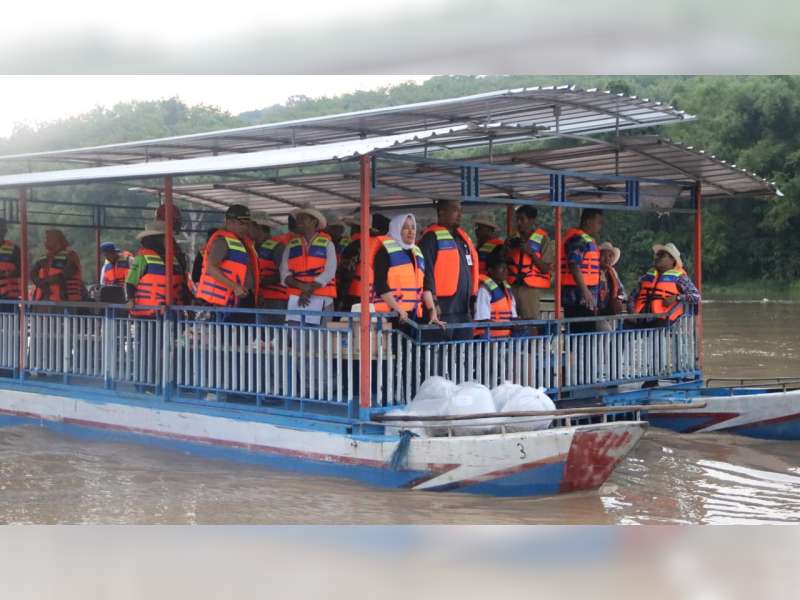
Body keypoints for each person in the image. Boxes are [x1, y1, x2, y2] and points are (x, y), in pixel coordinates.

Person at [419, 199, 479, 340]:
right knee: (439, 352)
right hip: (442, 311)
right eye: (455, 210)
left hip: (464, 311)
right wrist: (433, 304)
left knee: (464, 351)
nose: (460, 214)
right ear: (442, 213)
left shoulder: (462, 239)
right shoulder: (430, 238)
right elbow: (426, 274)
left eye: (461, 211)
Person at [373, 213, 442, 331]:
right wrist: (398, 309)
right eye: (405, 228)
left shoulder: (417, 252)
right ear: (396, 229)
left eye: (413, 227)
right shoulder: (385, 251)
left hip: (413, 316)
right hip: (391, 316)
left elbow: (425, 286)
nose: (411, 232)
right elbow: (380, 285)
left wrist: (432, 311)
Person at [194, 205, 259, 309]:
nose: (245, 228)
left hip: (244, 296)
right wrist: (235, 287)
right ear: (229, 222)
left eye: (248, 224)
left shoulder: (245, 243)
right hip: (228, 300)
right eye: (242, 224)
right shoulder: (222, 241)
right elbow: (211, 267)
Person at [280, 207, 337, 321]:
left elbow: (330, 272)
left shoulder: (327, 244)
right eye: (298, 219)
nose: (298, 222)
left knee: (322, 333)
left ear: (314, 221)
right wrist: (303, 287)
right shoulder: (291, 246)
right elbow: (284, 274)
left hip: (323, 302)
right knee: (296, 332)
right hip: (296, 302)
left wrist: (307, 291)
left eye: (303, 218)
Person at [629, 243, 701, 327]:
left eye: (662, 255)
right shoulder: (645, 277)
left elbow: (696, 296)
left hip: (664, 322)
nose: (657, 257)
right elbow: (632, 297)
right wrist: (632, 312)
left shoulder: (680, 278)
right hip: (639, 320)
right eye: (657, 255)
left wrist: (677, 297)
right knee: (624, 325)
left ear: (672, 260)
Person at [126, 221, 188, 317]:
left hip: (173, 312)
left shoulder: (173, 258)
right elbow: (130, 282)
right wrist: (130, 299)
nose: (171, 240)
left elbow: (182, 284)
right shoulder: (142, 257)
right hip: (147, 314)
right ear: (156, 239)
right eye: (166, 237)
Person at [506, 205, 553, 323]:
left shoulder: (543, 239)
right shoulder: (512, 237)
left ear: (532, 220)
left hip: (530, 290)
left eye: (522, 219)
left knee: (530, 323)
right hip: (512, 287)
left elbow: (546, 268)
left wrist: (530, 253)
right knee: (510, 322)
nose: (518, 222)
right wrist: (507, 248)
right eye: (517, 219)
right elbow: (502, 262)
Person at [561, 208, 603, 333]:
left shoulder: (585, 239)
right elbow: (574, 264)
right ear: (588, 221)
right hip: (577, 297)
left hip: (584, 297)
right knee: (581, 334)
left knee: (586, 334)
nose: (600, 226)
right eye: (598, 222)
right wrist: (585, 291)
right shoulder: (577, 239)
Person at [339, 213, 390, 311]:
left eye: (353, 227)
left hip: (357, 292)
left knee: (348, 318)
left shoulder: (356, 244)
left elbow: (345, 269)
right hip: (381, 295)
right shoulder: (387, 244)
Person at [30, 229, 86, 302]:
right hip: (42, 299)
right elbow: (33, 274)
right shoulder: (43, 258)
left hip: (65, 300)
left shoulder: (71, 256)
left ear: (57, 240)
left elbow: (67, 274)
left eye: (48, 238)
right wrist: (41, 284)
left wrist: (45, 282)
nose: (45, 241)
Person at [474, 251, 517, 338]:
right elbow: (482, 321)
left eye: (506, 268)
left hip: (504, 338)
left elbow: (513, 317)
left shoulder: (507, 290)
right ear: (491, 270)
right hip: (486, 339)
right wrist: (508, 326)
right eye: (502, 267)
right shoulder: (484, 289)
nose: (506, 271)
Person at [596, 242, 626, 332]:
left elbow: (622, 292)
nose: (607, 259)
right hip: (594, 314)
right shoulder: (593, 272)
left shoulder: (612, 273)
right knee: (607, 332)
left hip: (608, 313)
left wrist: (619, 299)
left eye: (610, 256)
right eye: (603, 255)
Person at [473, 211, 504, 275]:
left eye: (479, 228)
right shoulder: (477, 247)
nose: (476, 230)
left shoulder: (499, 247)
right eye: (475, 227)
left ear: (489, 230)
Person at [0, 217, 21, 305]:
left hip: (9, 296)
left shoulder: (14, 249)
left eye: (2, 228)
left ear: (5, 230)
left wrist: (8, 273)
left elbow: (22, 271)